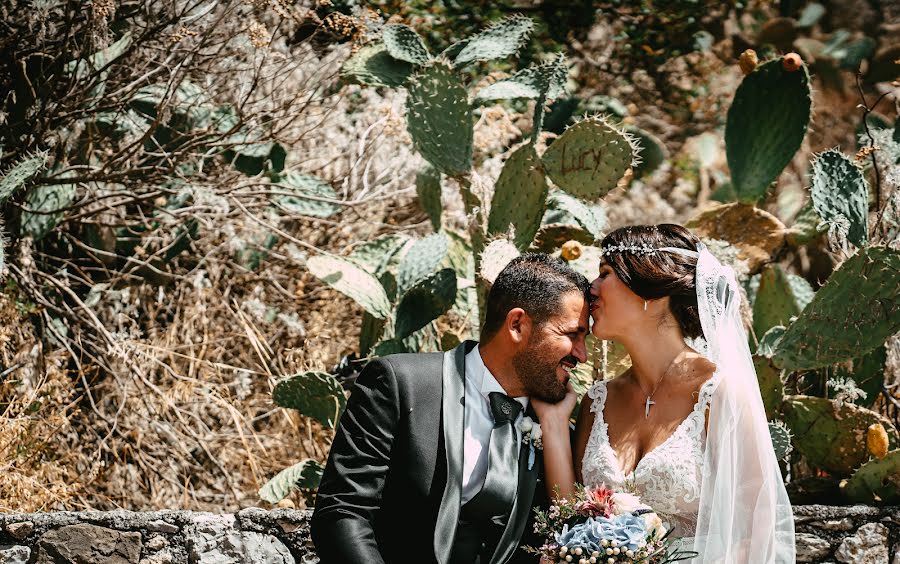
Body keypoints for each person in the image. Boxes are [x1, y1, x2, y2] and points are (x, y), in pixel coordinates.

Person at [533, 224, 796, 563]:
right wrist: (554, 423)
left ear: (652, 291)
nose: (591, 288)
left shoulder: (719, 394)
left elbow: (754, 529)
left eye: (605, 273)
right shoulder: (597, 401)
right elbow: (571, 520)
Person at [311, 253, 591, 564]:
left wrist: (553, 427)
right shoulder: (402, 384)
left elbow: (561, 539)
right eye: (571, 335)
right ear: (517, 325)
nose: (583, 354)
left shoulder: (558, 433)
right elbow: (343, 511)